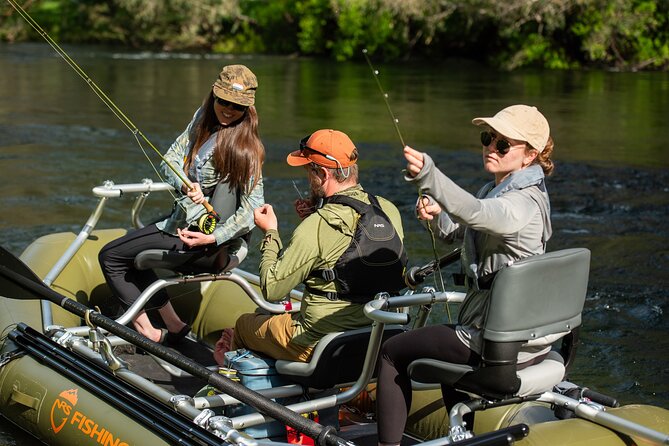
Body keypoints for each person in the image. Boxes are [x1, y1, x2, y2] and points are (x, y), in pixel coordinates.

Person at [375, 104, 555, 446]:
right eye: (488, 138)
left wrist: (430, 175)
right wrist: (440, 211)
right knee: (444, 352)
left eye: (503, 145)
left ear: (530, 155)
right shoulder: (499, 189)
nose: (490, 147)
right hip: (518, 337)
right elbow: (463, 227)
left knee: (391, 352)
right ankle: (464, 439)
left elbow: (477, 213)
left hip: (496, 342)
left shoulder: (523, 204)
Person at [99, 64, 265, 344]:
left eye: (236, 106)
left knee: (111, 257)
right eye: (222, 101)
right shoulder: (202, 120)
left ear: (246, 110)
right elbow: (170, 159)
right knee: (133, 251)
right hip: (182, 224)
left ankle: (148, 332)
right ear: (213, 96)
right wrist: (185, 184)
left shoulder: (248, 151)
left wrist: (213, 237)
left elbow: (252, 210)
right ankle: (174, 325)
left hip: (203, 241)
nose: (227, 109)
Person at [229, 129, 407, 362]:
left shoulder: (317, 226)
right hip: (374, 337)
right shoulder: (387, 209)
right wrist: (317, 210)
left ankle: (239, 393)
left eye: (307, 172)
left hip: (319, 344)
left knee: (244, 325)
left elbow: (272, 289)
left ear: (322, 173)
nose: (307, 179)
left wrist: (270, 232)